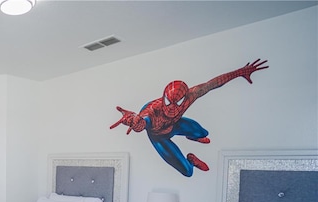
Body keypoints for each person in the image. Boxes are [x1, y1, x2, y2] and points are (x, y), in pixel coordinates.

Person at [110, 59, 268, 177]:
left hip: (176, 125)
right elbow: (142, 123)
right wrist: (134, 122)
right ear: (163, 98)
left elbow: (213, 83)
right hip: (159, 137)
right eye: (168, 102)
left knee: (203, 133)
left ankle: (193, 137)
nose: (171, 108)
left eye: (177, 103)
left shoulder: (191, 96)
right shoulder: (152, 111)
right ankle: (191, 160)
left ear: (184, 99)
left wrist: (240, 72)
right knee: (187, 172)